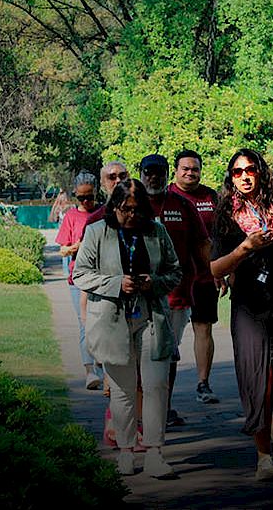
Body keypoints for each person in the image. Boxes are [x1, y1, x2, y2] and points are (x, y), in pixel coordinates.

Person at [208, 149, 273, 481]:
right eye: (237, 172)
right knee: (257, 382)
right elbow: (214, 266)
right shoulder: (225, 214)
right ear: (231, 177)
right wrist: (244, 249)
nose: (245, 176)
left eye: (250, 169)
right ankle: (263, 457)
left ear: (261, 172)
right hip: (248, 306)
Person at [74, 179, 182, 479]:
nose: (131, 215)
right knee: (122, 390)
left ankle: (154, 452)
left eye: (136, 210)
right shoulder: (97, 232)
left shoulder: (157, 230)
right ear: (114, 206)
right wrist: (114, 284)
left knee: (156, 386)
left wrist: (154, 284)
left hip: (151, 318)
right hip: (112, 319)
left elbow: (175, 272)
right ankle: (125, 451)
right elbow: (80, 274)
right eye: (124, 209)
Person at [141, 153, 211, 429]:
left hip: (176, 295)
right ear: (142, 172)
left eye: (159, 172)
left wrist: (213, 273)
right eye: (149, 172)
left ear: (166, 173)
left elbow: (202, 244)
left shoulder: (181, 205)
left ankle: (163, 406)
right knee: (142, 354)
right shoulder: (134, 202)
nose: (154, 177)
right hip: (139, 296)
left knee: (167, 353)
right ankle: (143, 408)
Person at [170, 150, 223, 405]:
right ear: (176, 171)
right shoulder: (167, 197)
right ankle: (162, 394)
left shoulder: (211, 196)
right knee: (169, 335)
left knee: (203, 328)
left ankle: (203, 383)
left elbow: (220, 234)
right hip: (175, 280)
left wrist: (219, 270)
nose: (190, 173)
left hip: (205, 277)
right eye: (185, 168)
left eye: (195, 169)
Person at [56, 171, 104, 390]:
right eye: (81, 198)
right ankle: (89, 372)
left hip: (103, 276)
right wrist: (76, 247)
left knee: (103, 324)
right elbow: (62, 250)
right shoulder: (71, 216)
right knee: (85, 324)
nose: (85, 202)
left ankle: (103, 366)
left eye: (89, 197)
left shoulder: (104, 213)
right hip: (79, 277)